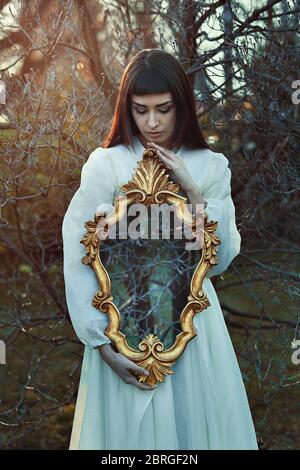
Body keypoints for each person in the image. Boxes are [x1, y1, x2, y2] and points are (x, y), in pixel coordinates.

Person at [62, 48, 258, 450]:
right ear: (127, 109)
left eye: (164, 109)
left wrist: (193, 192)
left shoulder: (209, 166)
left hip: (193, 328)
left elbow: (218, 263)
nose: (152, 122)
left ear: (182, 106)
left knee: (193, 433)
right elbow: (79, 249)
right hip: (122, 328)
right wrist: (99, 342)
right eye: (140, 110)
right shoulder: (107, 165)